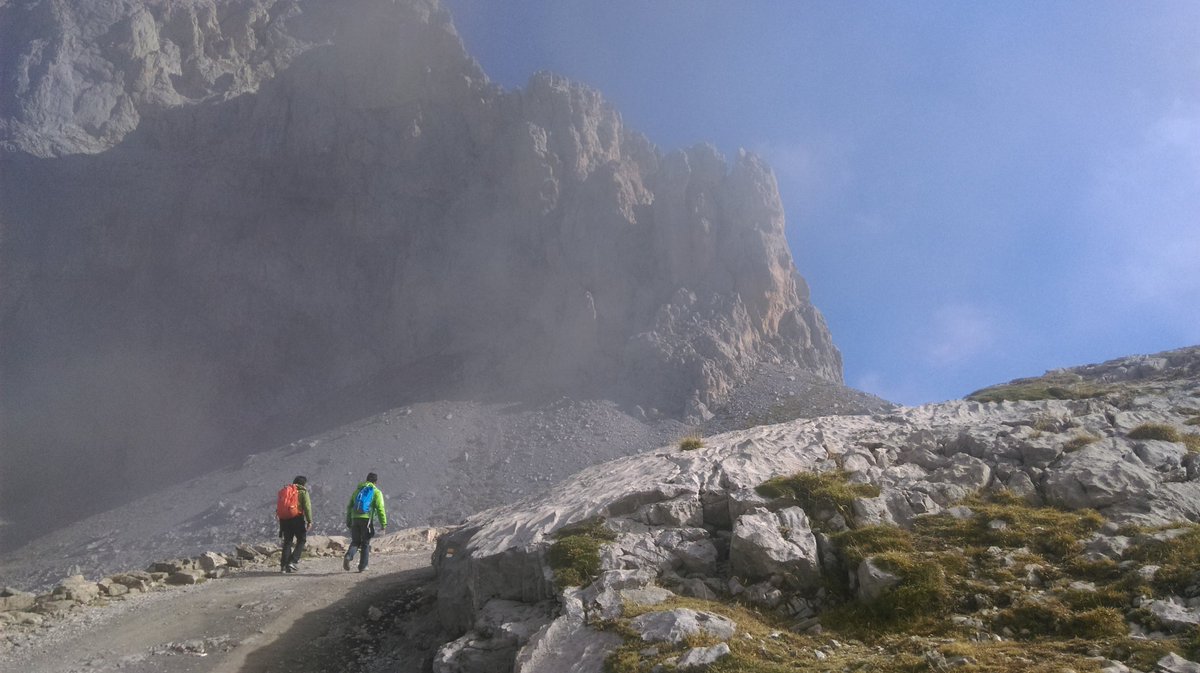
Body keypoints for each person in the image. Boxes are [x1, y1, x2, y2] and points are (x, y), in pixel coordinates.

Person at [343, 472, 386, 572]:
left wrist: (349, 520)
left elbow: (349, 506)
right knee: (365, 543)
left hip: (355, 518)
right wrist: (383, 523)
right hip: (366, 519)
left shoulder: (358, 491)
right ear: (376, 482)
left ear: (366, 480)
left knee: (355, 541)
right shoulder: (376, 492)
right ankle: (363, 566)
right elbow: (380, 508)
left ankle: (349, 556)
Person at [278, 475, 313, 574]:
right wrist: (309, 521)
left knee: (287, 541)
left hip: (284, 519)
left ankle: (283, 566)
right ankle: (293, 561)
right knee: (302, 539)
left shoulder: (286, 491)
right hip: (297, 518)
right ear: (303, 483)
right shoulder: (302, 492)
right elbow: (307, 507)